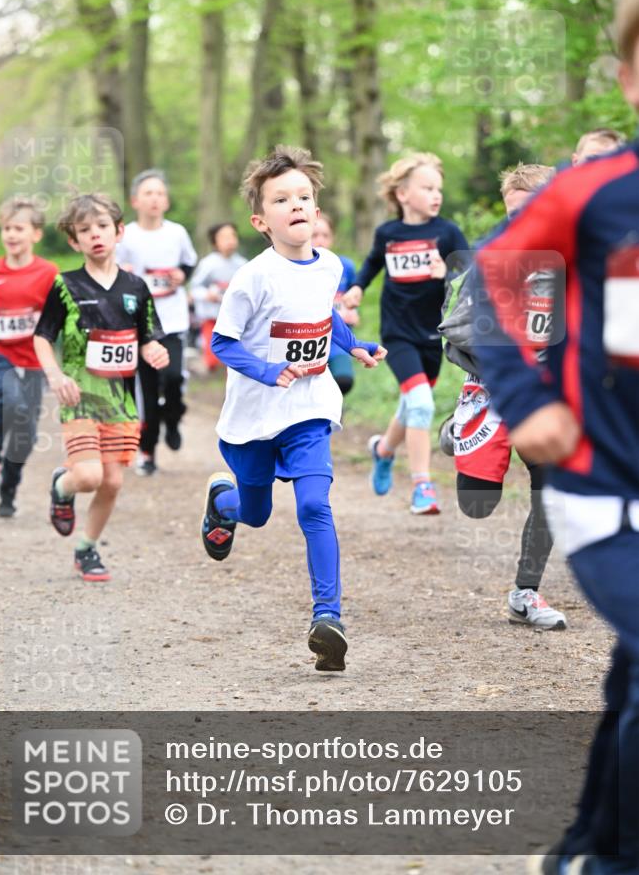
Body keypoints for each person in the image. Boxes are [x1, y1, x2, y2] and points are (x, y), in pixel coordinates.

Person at [475, 0, 639, 875]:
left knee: (632, 676)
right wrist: (529, 400)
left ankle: (585, 848)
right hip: (598, 482)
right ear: (627, 78)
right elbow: (496, 284)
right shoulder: (594, 192)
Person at [199, 146, 386, 672]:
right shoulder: (253, 278)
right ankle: (223, 503)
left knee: (313, 507)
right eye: (282, 199)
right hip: (255, 417)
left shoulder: (330, 266)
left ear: (317, 210)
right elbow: (223, 342)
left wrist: (356, 345)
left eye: (304, 196)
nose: (296, 204)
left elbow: (324, 317)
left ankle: (328, 619)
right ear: (261, 220)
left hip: (308, 408)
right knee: (255, 514)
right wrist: (267, 370)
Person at [440, 164, 567, 629]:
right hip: (491, 393)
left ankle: (525, 592)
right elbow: (455, 338)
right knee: (477, 505)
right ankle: (454, 431)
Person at [33, 193, 168, 582]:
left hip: (119, 400)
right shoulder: (66, 285)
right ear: (74, 241)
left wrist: (153, 349)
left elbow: (146, 337)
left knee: (111, 482)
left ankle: (86, 548)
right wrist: (56, 376)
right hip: (79, 397)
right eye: (84, 230)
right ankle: (63, 484)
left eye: (102, 227)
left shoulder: (136, 287)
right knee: (88, 477)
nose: (95, 235)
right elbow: (43, 336)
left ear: (119, 231)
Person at [343, 152, 468, 514]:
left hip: (432, 334)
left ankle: (383, 450)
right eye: (427, 188)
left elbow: (469, 272)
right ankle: (422, 486)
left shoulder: (446, 232)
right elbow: (371, 265)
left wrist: (445, 271)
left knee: (412, 404)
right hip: (397, 334)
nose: (436, 195)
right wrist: (356, 288)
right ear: (402, 194)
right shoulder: (389, 233)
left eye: (438, 189)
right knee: (422, 404)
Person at [0, 197, 58, 517]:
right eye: (7, 228)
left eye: (19, 228)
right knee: (12, 401)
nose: (11, 234)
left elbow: (59, 310)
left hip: (34, 358)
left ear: (36, 234)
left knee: (26, 434)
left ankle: (8, 487)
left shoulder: (48, 272)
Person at [116, 169, 197, 475]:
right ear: (135, 200)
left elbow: (189, 262)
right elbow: (110, 270)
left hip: (173, 320)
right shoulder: (126, 236)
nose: (154, 198)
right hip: (140, 324)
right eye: (148, 193)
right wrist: (121, 271)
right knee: (147, 392)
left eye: (160, 193)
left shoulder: (177, 232)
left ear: (166, 201)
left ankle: (173, 418)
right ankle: (147, 451)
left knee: (174, 378)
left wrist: (181, 275)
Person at [312, 212, 359, 396]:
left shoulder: (345, 266)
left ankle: (334, 415)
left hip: (339, 339)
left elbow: (352, 296)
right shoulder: (296, 267)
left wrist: (355, 312)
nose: (320, 241)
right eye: (315, 236)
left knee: (343, 379)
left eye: (325, 235)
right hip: (309, 340)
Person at [190, 222, 247, 372]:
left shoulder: (242, 264)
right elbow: (195, 287)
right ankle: (207, 366)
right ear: (215, 242)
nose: (230, 241)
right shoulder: (208, 264)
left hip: (234, 317)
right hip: (212, 316)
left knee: (235, 351)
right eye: (224, 237)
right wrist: (206, 294)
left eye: (232, 236)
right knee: (212, 354)